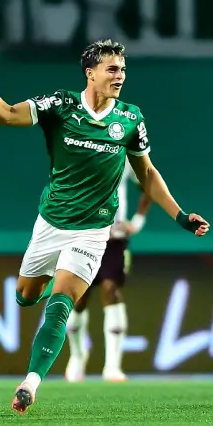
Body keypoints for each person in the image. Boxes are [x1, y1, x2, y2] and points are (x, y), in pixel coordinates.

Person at [0, 39, 210, 414]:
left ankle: (31, 382)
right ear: (90, 73)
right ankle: (39, 293)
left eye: (122, 69)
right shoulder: (61, 105)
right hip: (51, 222)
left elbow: (148, 174)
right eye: (112, 69)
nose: (119, 76)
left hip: (94, 232)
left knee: (61, 305)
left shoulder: (130, 119)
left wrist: (180, 216)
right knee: (25, 296)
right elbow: (6, 115)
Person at [64, 162, 153, 382]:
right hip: (82, 236)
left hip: (114, 239)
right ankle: (77, 355)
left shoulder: (125, 156)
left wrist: (137, 222)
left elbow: (150, 184)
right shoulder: (78, 151)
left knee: (110, 288)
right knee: (79, 298)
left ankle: (112, 366)